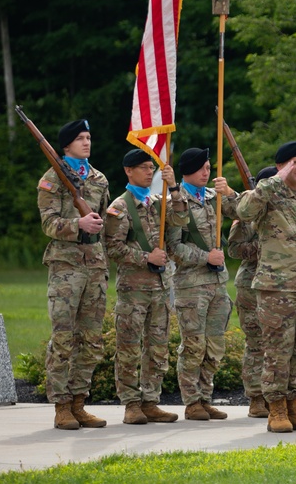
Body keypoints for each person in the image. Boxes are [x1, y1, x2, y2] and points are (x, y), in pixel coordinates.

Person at [236, 142, 296, 433]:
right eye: (293, 162)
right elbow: (242, 210)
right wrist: (273, 181)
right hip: (275, 288)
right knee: (277, 350)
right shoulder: (267, 195)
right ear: (280, 167)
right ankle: (276, 408)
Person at [104, 148, 189, 425]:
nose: (149, 172)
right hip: (134, 289)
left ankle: (151, 401)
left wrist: (174, 187)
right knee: (128, 347)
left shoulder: (157, 202)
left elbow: (181, 219)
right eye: (142, 167)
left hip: (160, 288)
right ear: (128, 171)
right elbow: (112, 247)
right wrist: (146, 257)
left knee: (157, 347)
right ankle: (131, 403)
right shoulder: (120, 206)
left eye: (150, 167)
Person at [37, 119, 111, 431]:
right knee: (64, 339)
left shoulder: (99, 178)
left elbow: (104, 221)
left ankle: (80, 401)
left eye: (89, 137)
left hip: (94, 265)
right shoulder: (52, 178)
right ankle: (61, 406)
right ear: (65, 145)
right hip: (66, 268)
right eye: (80, 138)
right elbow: (48, 223)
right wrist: (76, 226)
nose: (87, 142)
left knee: (91, 340)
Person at [166, 147, 240, 421]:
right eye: (201, 168)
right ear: (188, 171)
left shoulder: (213, 197)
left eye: (209, 167)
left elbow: (243, 211)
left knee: (215, 345)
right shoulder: (177, 200)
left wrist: (230, 192)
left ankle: (206, 397)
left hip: (217, 283)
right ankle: (192, 401)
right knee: (194, 345)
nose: (207, 172)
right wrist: (204, 256)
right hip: (191, 285)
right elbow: (173, 247)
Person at [224, 165, 277, 419]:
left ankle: (276, 395)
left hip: (278, 284)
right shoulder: (246, 213)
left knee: (278, 344)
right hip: (250, 284)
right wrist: (265, 247)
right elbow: (234, 249)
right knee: (256, 342)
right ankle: (256, 397)